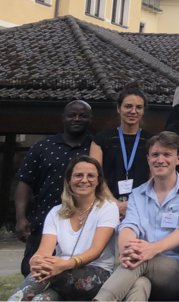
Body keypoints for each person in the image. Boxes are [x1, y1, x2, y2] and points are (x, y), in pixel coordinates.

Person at [93, 132, 179, 302]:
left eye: (167, 154)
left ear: (178, 159)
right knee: (140, 284)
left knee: (142, 260)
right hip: (140, 263)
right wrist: (127, 250)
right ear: (148, 159)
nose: (160, 160)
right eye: (155, 155)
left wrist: (153, 249)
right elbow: (129, 226)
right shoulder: (138, 193)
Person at [9, 156, 118, 302]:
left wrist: (65, 264)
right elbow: (44, 250)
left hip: (97, 274)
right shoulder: (56, 212)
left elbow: (96, 250)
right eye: (78, 175)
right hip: (58, 272)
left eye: (91, 176)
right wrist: (36, 261)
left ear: (98, 181)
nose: (84, 180)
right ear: (68, 180)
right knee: (40, 299)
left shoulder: (108, 208)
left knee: (51, 273)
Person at [16, 100, 94, 275]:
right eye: (72, 115)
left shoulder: (96, 148)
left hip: (83, 224)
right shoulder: (42, 147)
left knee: (76, 276)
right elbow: (24, 181)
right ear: (63, 118)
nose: (77, 119)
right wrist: (21, 217)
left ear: (90, 119)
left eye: (83, 115)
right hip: (43, 221)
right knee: (34, 270)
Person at [90, 86, 153, 219]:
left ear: (143, 111)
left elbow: (155, 178)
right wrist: (115, 204)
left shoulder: (152, 141)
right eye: (128, 106)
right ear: (119, 108)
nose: (133, 111)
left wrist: (131, 204)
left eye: (139, 107)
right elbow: (95, 175)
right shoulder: (100, 140)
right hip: (105, 206)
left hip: (142, 207)